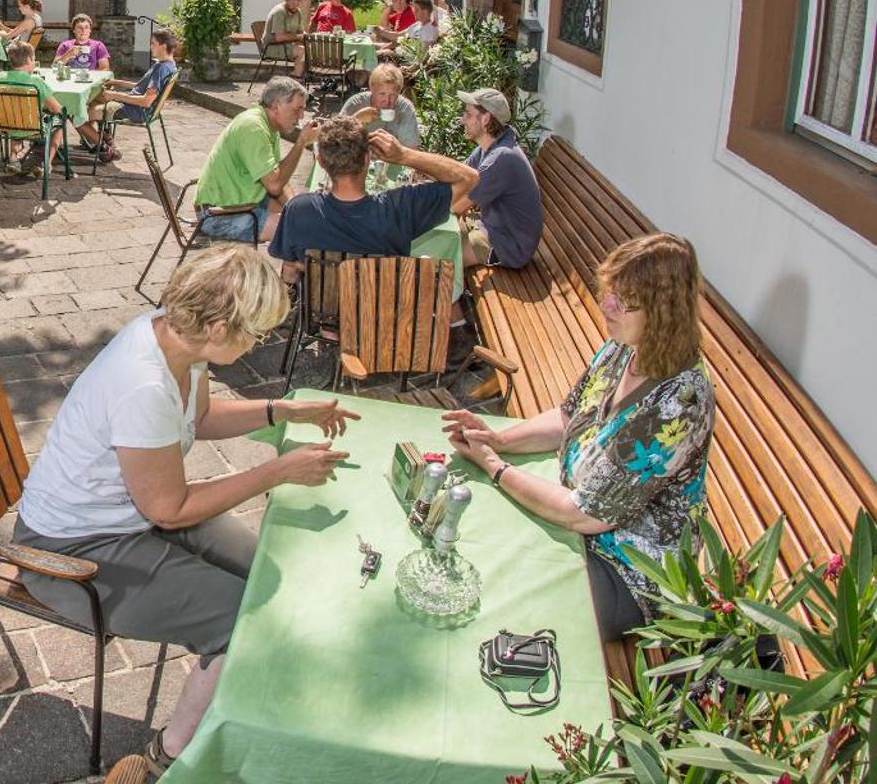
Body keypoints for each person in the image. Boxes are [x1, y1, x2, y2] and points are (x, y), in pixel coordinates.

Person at [14, 245, 356, 780]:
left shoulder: (175, 341)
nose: (255, 345)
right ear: (219, 329)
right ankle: (167, 757)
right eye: (254, 333)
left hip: (127, 519)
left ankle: (250, 695)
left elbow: (200, 418)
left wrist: (280, 410)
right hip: (68, 552)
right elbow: (170, 509)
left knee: (266, 572)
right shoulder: (144, 383)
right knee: (241, 619)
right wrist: (276, 471)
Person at [444, 232, 713, 641]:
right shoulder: (625, 347)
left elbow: (584, 514)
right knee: (472, 538)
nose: (606, 305)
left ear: (662, 312)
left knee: (503, 602)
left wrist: (496, 468)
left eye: (621, 301)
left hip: (628, 566)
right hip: (579, 518)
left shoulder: (678, 404)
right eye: (609, 292)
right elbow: (569, 414)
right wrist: (500, 440)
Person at [268, 117, 475, 282]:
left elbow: (289, 273)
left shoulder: (299, 209)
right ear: (368, 158)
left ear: (321, 162)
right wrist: (404, 155)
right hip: (380, 319)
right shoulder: (401, 208)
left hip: (325, 319)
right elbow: (469, 178)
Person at [194, 77, 318, 243]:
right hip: (218, 215)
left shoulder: (268, 125)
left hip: (241, 203)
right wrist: (301, 142)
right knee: (300, 230)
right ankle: (294, 267)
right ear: (276, 106)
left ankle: (294, 263)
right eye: (297, 110)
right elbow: (274, 185)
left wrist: (295, 208)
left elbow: (278, 176)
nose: (301, 116)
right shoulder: (253, 128)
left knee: (303, 218)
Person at [455, 87, 544, 269]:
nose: (463, 120)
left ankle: (450, 296)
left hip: (509, 247)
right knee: (441, 237)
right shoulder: (488, 148)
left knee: (445, 260)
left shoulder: (501, 158)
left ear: (486, 119)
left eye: (468, 115)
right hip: (491, 226)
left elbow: (457, 206)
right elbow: (458, 176)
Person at [83, 28, 180, 162]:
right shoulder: (169, 65)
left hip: (134, 111)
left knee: (78, 115)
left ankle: (106, 147)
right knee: (93, 101)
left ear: (163, 46)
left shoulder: (160, 68)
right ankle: (105, 137)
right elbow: (140, 87)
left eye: (153, 43)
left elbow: (146, 101)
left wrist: (115, 95)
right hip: (136, 107)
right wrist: (116, 82)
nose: (150, 46)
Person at [0, 39, 67, 178]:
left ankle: (13, 158)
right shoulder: (35, 81)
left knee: (15, 116)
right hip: (32, 128)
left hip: (4, 126)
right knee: (60, 121)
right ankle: (47, 163)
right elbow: (56, 109)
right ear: (30, 59)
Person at [342, 62, 422, 149]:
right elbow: (334, 143)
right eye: (382, 94)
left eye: (392, 95)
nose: (387, 101)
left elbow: (412, 149)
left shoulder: (404, 108)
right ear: (371, 88)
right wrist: (356, 120)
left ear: (399, 92)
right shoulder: (356, 104)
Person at [261, 0, 307, 77]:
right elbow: (279, 37)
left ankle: (304, 76)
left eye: (298, 1)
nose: (295, 4)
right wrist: (299, 36)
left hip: (286, 45)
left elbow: (300, 31)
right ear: (286, 0)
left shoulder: (298, 12)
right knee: (302, 51)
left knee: (310, 48)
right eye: (293, 1)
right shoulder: (279, 12)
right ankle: (297, 77)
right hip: (271, 46)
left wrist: (305, 35)